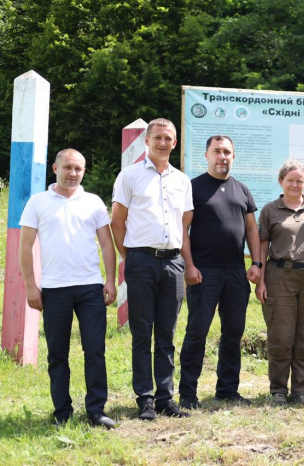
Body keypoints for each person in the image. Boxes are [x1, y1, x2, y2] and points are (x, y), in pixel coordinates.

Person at [19, 149, 117, 428]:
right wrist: (30, 286)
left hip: (90, 288)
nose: (73, 173)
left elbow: (107, 244)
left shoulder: (94, 202)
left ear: (84, 172)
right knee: (57, 354)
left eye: (78, 169)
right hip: (54, 289)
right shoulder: (38, 202)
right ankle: (62, 412)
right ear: (55, 168)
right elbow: (25, 246)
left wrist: (110, 280)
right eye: (68, 168)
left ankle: (96, 411)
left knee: (95, 350)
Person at [111, 118, 193, 420]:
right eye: (157, 137)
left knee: (168, 334)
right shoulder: (130, 176)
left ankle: (165, 398)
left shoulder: (182, 181)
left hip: (172, 262)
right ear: (147, 141)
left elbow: (185, 223)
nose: (162, 143)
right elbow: (117, 222)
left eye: (168, 138)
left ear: (175, 143)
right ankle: (144, 398)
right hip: (141, 261)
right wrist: (129, 257)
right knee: (142, 332)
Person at [178, 135, 262, 409]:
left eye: (227, 152)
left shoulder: (242, 190)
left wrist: (257, 263)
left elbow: (252, 229)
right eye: (217, 151)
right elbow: (183, 229)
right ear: (207, 155)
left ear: (233, 156)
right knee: (197, 332)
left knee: (233, 333)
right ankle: (188, 395)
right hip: (204, 273)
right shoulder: (193, 188)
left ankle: (227, 389)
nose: (222, 156)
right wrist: (189, 266)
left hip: (236, 273)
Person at [255, 159, 304, 406]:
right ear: (281, 182)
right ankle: (278, 389)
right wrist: (260, 281)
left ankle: (300, 390)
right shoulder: (270, 210)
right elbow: (262, 245)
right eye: (290, 180)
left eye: (300, 180)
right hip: (279, 277)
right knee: (281, 336)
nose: (295, 184)